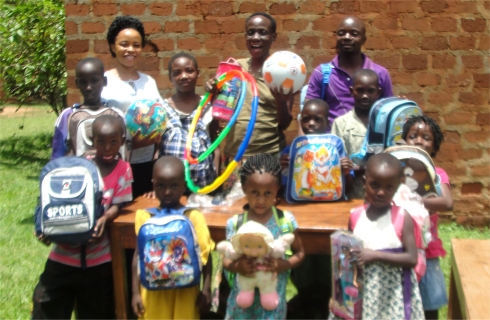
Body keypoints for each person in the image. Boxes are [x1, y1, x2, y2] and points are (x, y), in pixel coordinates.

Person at [32, 115, 133, 319]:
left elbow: (117, 204)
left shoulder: (124, 169)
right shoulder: (78, 166)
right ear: (92, 140)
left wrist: (105, 218)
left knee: (96, 311)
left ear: (122, 142)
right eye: (100, 142)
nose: (106, 148)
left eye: (113, 142)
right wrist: (45, 227)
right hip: (63, 257)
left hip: (99, 260)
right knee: (46, 304)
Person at [278, 99, 352, 319]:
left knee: (327, 254)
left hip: (331, 213)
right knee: (304, 254)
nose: (310, 123)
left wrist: (346, 169)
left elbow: (344, 179)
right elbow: (283, 183)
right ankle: (306, 297)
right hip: (301, 213)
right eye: (306, 119)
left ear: (326, 122)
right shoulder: (294, 147)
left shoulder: (336, 145)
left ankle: (324, 300)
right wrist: (283, 167)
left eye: (317, 119)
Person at [205, 12, 295, 192]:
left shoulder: (282, 73)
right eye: (250, 32)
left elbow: (284, 123)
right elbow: (220, 109)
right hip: (234, 157)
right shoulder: (234, 69)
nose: (255, 38)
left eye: (262, 32)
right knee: (233, 213)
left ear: (273, 37)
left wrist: (279, 101)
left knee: (265, 211)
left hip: (268, 157)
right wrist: (212, 91)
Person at [131, 156, 215, 319]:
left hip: (185, 293)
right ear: (153, 184)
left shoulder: (194, 217)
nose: (167, 191)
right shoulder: (144, 217)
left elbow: (206, 256)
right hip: (152, 295)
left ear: (184, 186)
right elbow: (138, 256)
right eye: (161, 186)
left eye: (174, 186)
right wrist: (135, 292)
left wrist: (206, 290)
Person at [342, 153, 424, 319]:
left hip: (392, 293)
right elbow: (347, 257)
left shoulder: (402, 217)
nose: (381, 192)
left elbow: (411, 258)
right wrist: (340, 295)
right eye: (375, 185)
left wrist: (375, 255)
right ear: (364, 182)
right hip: (363, 290)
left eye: (389, 188)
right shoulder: (356, 216)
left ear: (398, 186)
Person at [223, 154, 305, 319]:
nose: (261, 200)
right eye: (254, 192)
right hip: (241, 308)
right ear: (244, 189)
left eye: (268, 193)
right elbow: (226, 259)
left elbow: (300, 253)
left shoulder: (284, 221)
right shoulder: (236, 223)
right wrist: (237, 267)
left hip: (272, 308)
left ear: (277, 190)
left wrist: (282, 264)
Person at [102, 16, 164, 198]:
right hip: (114, 164)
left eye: (136, 45)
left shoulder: (149, 82)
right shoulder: (103, 83)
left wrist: (156, 158)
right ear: (113, 47)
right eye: (124, 44)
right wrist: (130, 145)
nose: (131, 49)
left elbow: (161, 120)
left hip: (147, 163)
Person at [401, 115, 453, 320]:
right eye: (413, 136)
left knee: (428, 305)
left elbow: (447, 203)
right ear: (404, 141)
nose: (419, 141)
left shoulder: (437, 174)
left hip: (427, 249)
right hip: (400, 249)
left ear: (435, 146)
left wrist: (410, 200)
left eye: (426, 137)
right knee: (401, 302)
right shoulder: (395, 171)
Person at [305, 16, 393, 129]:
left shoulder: (380, 74)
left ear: (363, 40)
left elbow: (388, 112)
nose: (346, 37)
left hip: (368, 141)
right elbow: (308, 114)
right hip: (332, 142)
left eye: (354, 34)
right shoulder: (322, 73)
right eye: (341, 33)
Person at [159, 52, 218, 189]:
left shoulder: (208, 105)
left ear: (198, 73)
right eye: (177, 73)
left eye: (189, 71)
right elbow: (157, 150)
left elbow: (215, 143)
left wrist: (215, 179)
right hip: (171, 189)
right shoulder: (162, 110)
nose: (184, 76)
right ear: (170, 77)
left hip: (204, 185)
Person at [51, 57, 125, 160]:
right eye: (83, 82)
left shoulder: (116, 115)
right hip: (78, 174)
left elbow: (123, 152)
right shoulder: (67, 115)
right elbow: (57, 154)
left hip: (112, 175)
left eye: (94, 81)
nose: (89, 87)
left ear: (104, 81)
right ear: (76, 83)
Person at [331, 68, 382, 199]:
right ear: (351, 91)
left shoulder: (385, 123)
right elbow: (336, 165)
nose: (365, 95)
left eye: (371, 91)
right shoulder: (341, 124)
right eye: (360, 90)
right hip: (352, 195)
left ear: (378, 92)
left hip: (382, 195)